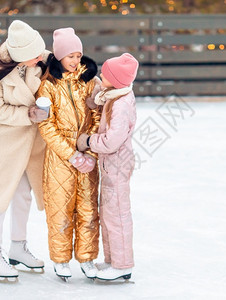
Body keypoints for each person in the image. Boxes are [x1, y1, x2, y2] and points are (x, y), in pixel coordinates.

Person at [0, 20, 49, 279]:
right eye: (35, 55)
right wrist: (28, 113)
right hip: (3, 142)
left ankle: (18, 246)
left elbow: (62, 60)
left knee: (23, 193)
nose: (41, 58)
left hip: (27, 141)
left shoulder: (34, 56)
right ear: (20, 55)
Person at [36, 27, 102, 280]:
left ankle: (87, 258)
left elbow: (97, 117)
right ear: (59, 56)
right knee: (60, 210)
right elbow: (46, 125)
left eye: (78, 55)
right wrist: (71, 154)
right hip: (60, 160)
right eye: (70, 56)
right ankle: (61, 259)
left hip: (87, 157)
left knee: (88, 211)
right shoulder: (48, 86)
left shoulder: (89, 81)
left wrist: (90, 153)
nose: (75, 61)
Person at [76, 53, 139, 281]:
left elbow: (112, 140)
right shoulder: (115, 96)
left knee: (118, 215)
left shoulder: (121, 105)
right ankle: (113, 260)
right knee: (109, 215)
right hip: (111, 166)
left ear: (116, 79)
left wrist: (88, 141)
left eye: (105, 74)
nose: (101, 75)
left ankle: (123, 264)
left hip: (117, 166)